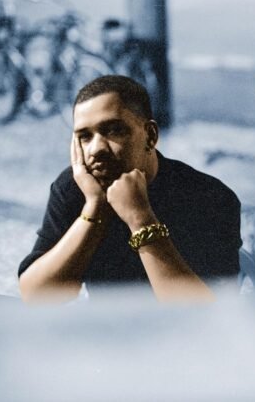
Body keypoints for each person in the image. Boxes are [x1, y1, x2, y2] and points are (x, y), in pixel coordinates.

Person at [18, 75, 242, 303]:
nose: (96, 149)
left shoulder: (209, 197)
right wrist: (94, 208)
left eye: (113, 130)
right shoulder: (75, 189)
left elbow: (211, 314)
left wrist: (140, 217)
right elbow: (36, 297)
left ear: (150, 136)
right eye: (85, 137)